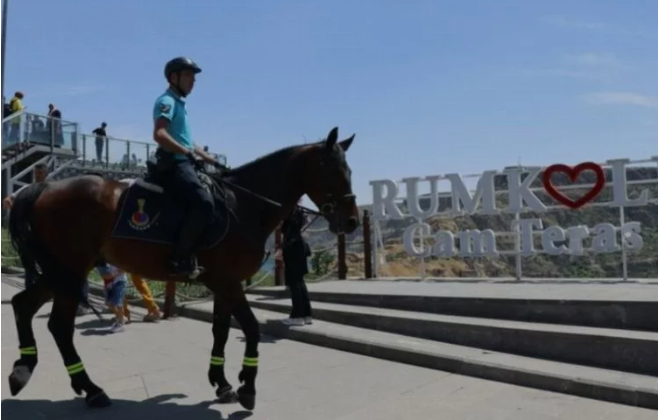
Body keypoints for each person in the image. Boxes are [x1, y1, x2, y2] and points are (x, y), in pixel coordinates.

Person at [152, 56, 225, 277]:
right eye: (188, 76)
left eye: (194, 77)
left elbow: (188, 142)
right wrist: (187, 153)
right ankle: (180, 258)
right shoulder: (167, 101)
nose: (193, 81)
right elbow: (160, 134)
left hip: (185, 161)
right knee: (203, 203)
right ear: (174, 77)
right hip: (174, 165)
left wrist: (212, 160)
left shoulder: (180, 104)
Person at [3, 163, 50, 290]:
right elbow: (7, 201)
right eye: (36, 173)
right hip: (30, 233)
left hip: (47, 233)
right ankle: (30, 291)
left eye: (39, 173)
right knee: (30, 264)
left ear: (46, 174)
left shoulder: (51, 189)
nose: (37, 176)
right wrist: (19, 212)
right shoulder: (27, 188)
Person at [277, 204, 313, 326]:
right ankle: (306, 314)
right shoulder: (299, 212)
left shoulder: (290, 212)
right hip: (299, 248)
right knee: (300, 282)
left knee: (294, 283)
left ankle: (297, 316)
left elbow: (286, 230)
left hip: (292, 249)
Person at [95, 259, 128, 333]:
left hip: (120, 282)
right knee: (109, 303)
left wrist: (113, 275)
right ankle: (121, 317)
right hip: (112, 283)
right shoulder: (111, 260)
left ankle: (121, 323)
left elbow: (123, 270)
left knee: (118, 303)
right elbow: (107, 274)